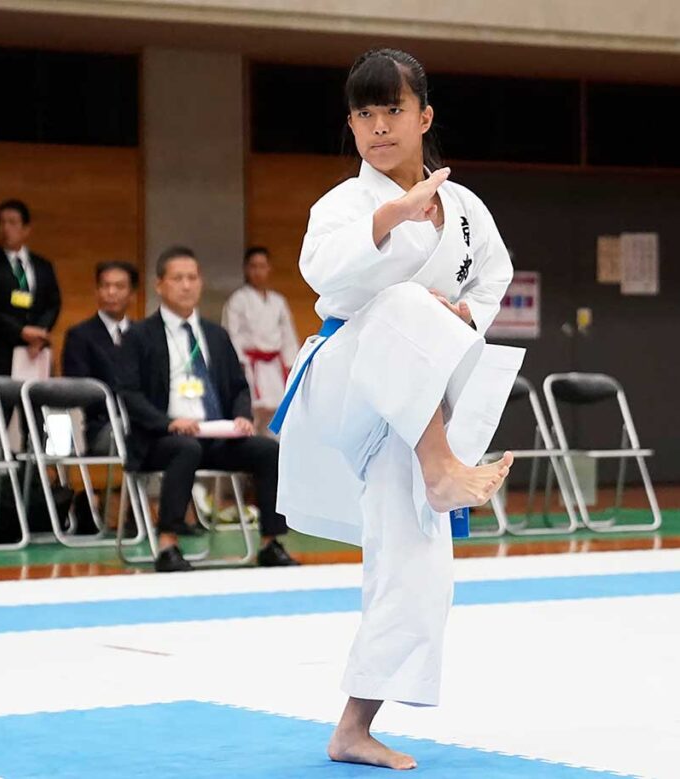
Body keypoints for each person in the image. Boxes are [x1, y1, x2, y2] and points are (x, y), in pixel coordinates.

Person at [273, 49, 521, 770]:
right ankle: (442, 465)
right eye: (364, 114)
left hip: (414, 406)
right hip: (348, 381)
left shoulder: (467, 209)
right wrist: (389, 218)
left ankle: (354, 725)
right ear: (351, 124)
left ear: (424, 116)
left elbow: (494, 280)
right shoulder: (342, 206)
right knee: (408, 302)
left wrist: (459, 316)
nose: (379, 126)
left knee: (417, 556)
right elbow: (323, 274)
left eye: (393, 110)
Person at [118, 246, 298, 572]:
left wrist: (242, 416)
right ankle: (168, 544)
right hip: (163, 437)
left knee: (268, 451)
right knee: (184, 449)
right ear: (160, 285)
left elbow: (239, 386)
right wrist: (169, 423)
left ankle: (272, 543)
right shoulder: (140, 336)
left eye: (192, 278)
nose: (186, 285)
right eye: (177, 278)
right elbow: (129, 394)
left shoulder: (215, 335)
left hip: (215, 435)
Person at [0, 199, 61, 377]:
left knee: (38, 402)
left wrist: (39, 333)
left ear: (26, 229)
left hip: (37, 350)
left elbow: (53, 303)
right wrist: (21, 332)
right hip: (0, 353)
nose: (5, 228)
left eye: (12, 222)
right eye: (1, 223)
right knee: (0, 403)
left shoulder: (43, 265)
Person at [222, 247, 301, 433]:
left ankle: (276, 458)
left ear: (269, 269)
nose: (258, 271)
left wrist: (291, 364)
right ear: (246, 269)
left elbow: (288, 336)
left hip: (274, 366)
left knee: (278, 416)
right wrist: (238, 364)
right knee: (251, 415)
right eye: (253, 266)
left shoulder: (278, 301)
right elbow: (231, 334)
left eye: (262, 266)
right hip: (250, 366)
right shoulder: (238, 300)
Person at [63, 260, 139, 454]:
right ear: (97, 291)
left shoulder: (144, 335)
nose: (111, 292)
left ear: (132, 294)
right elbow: (78, 389)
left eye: (119, 286)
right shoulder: (80, 335)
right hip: (102, 425)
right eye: (105, 286)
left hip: (142, 419)